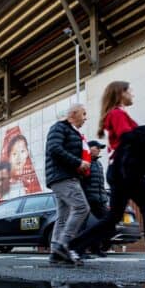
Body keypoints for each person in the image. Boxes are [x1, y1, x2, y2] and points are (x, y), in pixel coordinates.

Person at [70, 81, 145, 268]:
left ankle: (74, 247)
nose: (132, 93)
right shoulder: (117, 114)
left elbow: (131, 137)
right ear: (120, 94)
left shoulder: (118, 114)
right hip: (125, 168)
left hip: (119, 170)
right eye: (129, 90)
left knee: (113, 218)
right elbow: (128, 136)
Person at [45, 103, 91, 265]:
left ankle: (55, 253)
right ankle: (63, 245)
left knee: (63, 217)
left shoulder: (72, 132)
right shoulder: (60, 128)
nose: (86, 118)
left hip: (61, 177)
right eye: (83, 114)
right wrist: (78, 162)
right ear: (73, 114)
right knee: (81, 207)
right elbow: (54, 148)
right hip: (62, 177)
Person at [81, 140, 109, 257]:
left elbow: (100, 183)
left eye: (99, 148)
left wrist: (104, 197)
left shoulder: (98, 164)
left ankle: (96, 248)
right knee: (82, 224)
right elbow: (81, 180)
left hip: (99, 200)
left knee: (104, 222)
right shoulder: (85, 162)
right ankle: (80, 250)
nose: (99, 150)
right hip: (87, 198)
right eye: (97, 147)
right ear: (90, 148)